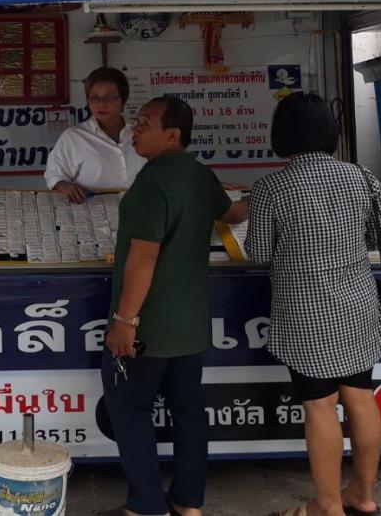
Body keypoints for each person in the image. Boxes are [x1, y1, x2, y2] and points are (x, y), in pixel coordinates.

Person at [244, 91, 381, 516]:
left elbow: (259, 251)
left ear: (282, 134)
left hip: (304, 310)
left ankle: (327, 505)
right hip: (357, 304)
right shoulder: (363, 177)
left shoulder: (272, 187)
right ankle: (362, 495)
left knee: (320, 404)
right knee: (360, 397)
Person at [102, 95, 247, 516]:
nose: (134, 129)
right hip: (189, 326)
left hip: (148, 328)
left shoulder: (152, 183)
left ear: (172, 134)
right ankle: (188, 502)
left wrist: (125, 321)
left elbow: (144, 258)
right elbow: (234, 214)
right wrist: (266, 193)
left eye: (145, 123)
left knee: (130, 410)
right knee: (188, 413)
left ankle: (146, 505)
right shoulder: (201, 175)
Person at [45, 66, 146, 203]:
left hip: (142, 210)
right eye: (94, 97)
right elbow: (54, 174)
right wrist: (64, 186)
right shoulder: (74, 136)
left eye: (109, 97)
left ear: (123, 100)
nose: (101, 104)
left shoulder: (141, 131)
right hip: (93, 213)